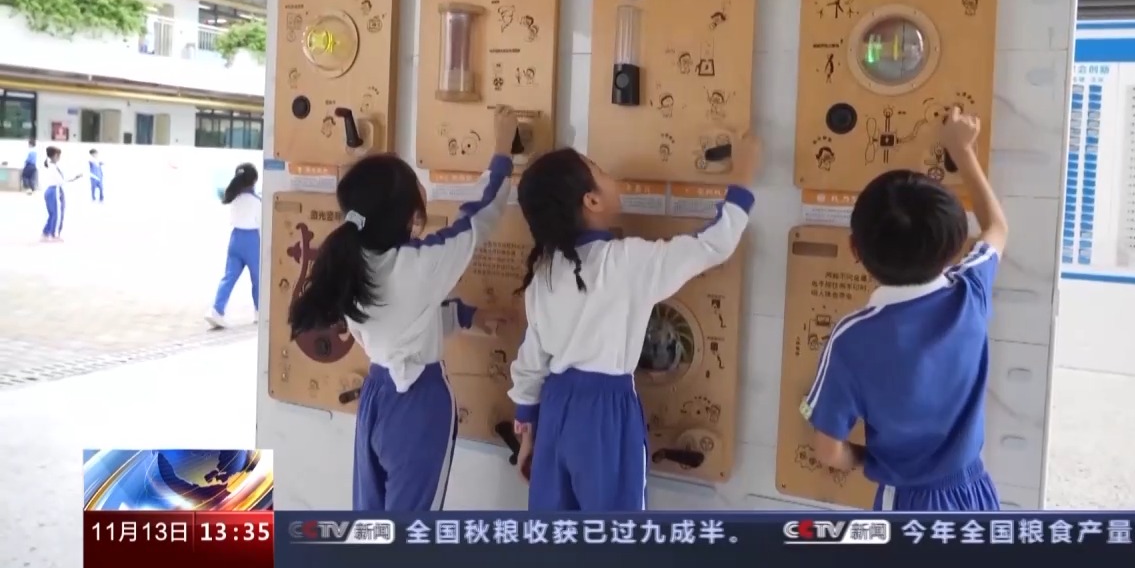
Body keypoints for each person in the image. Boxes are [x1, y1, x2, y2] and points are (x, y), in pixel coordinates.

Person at [507, 135, 761, 511]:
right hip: (605, 412)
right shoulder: (626, 261)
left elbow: (532, 357)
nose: (612, 176)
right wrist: (743, 177)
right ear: (591, 201)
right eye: (600, 171)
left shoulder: (545, 270)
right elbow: (711, 245)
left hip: (555, 406)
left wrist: (527, 425)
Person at [288, 106, 519, 512]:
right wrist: (502, 150)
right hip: (418, 404)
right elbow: (479, 219)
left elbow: (399, 321)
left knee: (372, 520)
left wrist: (468, 317)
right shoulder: (418, 264)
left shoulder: (350, 263)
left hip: (376, 396)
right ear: (407, 212)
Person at [800, 107, 1009, 512]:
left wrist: (871, 460)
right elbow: (996, 228)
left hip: (907, 503)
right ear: (954, 247)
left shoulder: (852, 338)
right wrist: (962, 151)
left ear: (855, 249)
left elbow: (827, 450)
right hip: (975, 493)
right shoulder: (970, 291)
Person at [206, 163, 261, 329]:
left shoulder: (232, 198)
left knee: (229, 277)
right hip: (252, 240)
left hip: (235, 239)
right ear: (254, 181)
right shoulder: (257, 201)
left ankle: (216, 310)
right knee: (258, 278)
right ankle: (259, 311)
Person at [40, 146, 80, 241]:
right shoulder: (53, 167)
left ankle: (46, 232)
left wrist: (73, 178)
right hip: (55, 190)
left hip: (51, 190)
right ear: (55, 155)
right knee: (57, 214)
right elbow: (61, 181)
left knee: (53, 214)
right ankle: (54, 234)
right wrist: (72, 179)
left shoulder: (51, 166)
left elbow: (62, 179)